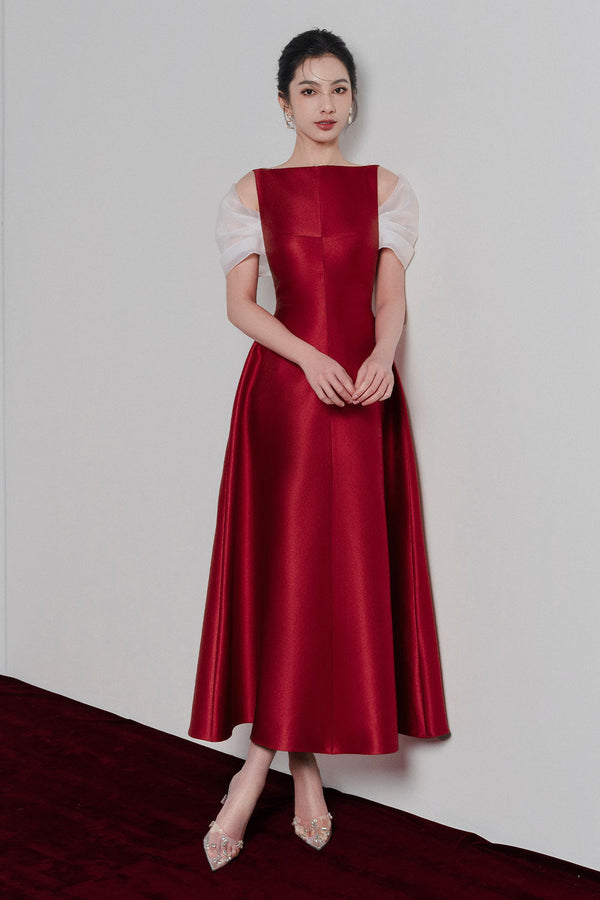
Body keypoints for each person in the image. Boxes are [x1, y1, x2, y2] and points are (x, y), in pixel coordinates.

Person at [188, 28, 450, 871]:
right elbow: (242, 306)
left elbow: (390, 297)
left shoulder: (388, 191)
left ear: (354, 99)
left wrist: (382, 357)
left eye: (339, 89)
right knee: (290, 576)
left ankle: (274, 770)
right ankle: (279, 770)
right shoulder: (250, 192)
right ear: (283, 102)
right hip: (288, 396)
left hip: (364, 393)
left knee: (331, 581)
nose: (327, 104)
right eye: (309, 90)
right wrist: (308, 357)